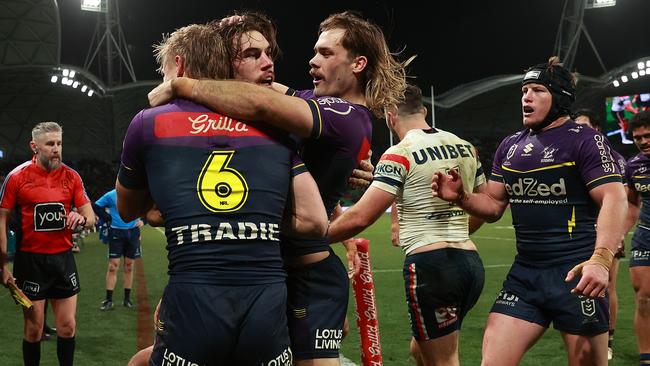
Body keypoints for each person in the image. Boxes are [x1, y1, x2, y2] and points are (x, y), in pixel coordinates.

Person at [148, 11, 406, 365]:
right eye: (315, 51)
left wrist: (182, 84)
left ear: (358, 64)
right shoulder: (314, 105)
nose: (312, 61)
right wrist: (223, 34)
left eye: (327, 53)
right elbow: (261, 87)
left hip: (307, 278)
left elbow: (259, 101)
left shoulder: (344, 115)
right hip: (260, 273)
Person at [117, 23, 327, 366]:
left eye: (165, 72)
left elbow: (128, 209)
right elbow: (314, 219)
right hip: (267, 301)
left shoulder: (149, 123)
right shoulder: (276, 125)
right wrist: (258, 221)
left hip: (194, 299)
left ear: (181, 68)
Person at [431, 56, 627, 366]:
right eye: (524, 90)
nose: (526, 96)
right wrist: (462, 197)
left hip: (577, 274)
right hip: (525, 277)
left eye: (537, 90)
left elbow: (614, 200)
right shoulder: (510, 146)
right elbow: (494, 205)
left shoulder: (587, 141)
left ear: (560, 99)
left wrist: (601, 260)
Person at [326, 84, 486, 366]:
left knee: (444, 360)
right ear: (424, 111)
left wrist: (315, 237)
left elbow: (362, 216)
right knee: (420, 350)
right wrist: (456, 229)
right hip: (471, 265)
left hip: (432, 268)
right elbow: (483, 206)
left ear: (389, 116)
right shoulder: (466, 147)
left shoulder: (400, 152)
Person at [0, 121, 96, 366]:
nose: (56, 149)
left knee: (67, 326)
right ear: (34, 146)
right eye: (50, 144)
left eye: (59, 143)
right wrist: (2, 265)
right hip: (30, 262)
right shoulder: (17, 177)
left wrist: (81, 217)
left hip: (63, 260)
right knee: (34, 330)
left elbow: (90, 216)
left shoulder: (71, 177)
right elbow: (1, 219)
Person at [572, 107, 628, 360]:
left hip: (605, 233)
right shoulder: (572, 155)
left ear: (596, 129)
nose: (577, 131)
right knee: (578, 288)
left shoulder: (613, 157)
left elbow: (621, 199)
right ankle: (583, 335)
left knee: (606, 288)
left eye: (583, 126)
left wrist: (619, 233)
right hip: (578, 232)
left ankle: (607, 338)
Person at [622, 110, 650, 366]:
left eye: (648, 136)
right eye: (638, 138)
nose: (643, 141)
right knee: (643, 296)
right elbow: (631, 206)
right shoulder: (634, 166)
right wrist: (620, 233)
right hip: (645, 237)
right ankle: (646, 358)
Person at [93, 188, 144, 311]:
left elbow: (148, 206)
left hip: (133, 232)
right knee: (113, 266)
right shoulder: (111, 195)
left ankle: (127, 300)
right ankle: (109, 300)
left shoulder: (137, 192)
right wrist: (108, 218)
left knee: (129, 265)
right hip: (116, 232)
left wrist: (143, 220)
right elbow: (96, 206)